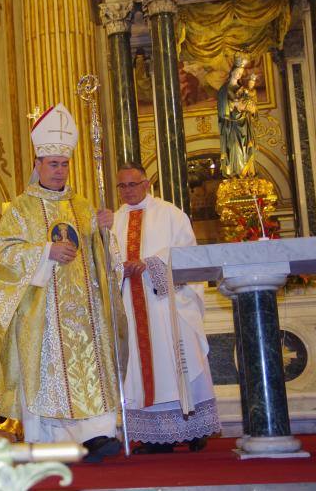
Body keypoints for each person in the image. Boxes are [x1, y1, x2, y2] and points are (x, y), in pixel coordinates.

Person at [0, 103, 127, 463]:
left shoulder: (82, 206)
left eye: (64, 164)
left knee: (90, 369)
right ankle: (49, 439)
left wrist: (104, 230)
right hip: (44, 314)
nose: (59, 170)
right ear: (37, 165)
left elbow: (106, 260)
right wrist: (45, 251)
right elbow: (2, 254)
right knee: (48, 374)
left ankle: (97, 434)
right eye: (53, 164)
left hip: (84, 315)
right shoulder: (21, 208)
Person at [111, 162, 220, 454]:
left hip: (166, 304)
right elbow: (107, 260)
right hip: (131, 306)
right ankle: (154, 437)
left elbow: (187, 255)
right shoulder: (115, 221)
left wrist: (150, 263)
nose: (127, 191)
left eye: (133, 184)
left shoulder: (171, 214)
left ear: (146, 184)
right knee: (141, 368)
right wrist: (118, 268)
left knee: (177, 362)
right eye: (121, 186)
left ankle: (193, 429)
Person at [217, 55, 256, 178]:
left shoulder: (242, 89)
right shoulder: (224, 90)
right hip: (232, 126)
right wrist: (235, 105)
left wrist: (250, 107)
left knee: (245, 148)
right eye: (237, 72)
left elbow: (252, 105)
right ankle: (237, 175)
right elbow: (223, 111)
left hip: (244, 124)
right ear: (232, 71)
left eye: (241, 73)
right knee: (235, 148)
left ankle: (246, 174)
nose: (239, 74)